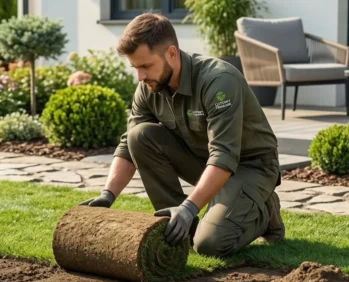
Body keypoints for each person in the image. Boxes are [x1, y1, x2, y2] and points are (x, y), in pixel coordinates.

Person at [78, 13, 284, 258]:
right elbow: (128, 145)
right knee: (139, 136)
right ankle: (181, 226)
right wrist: (107, 195)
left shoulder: (218, 81)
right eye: (135, 68)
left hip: (250, 166)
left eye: (145, 66)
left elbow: (225, 155)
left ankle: (264, 209)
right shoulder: (148, 86)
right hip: (205, 161)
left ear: (171, 54)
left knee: (210, 245)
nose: (140, 77)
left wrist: (189, 207)